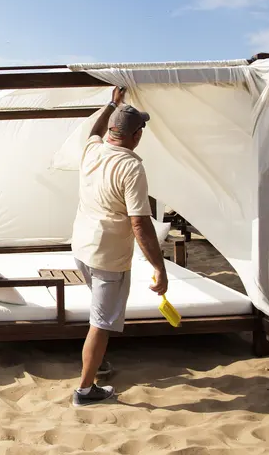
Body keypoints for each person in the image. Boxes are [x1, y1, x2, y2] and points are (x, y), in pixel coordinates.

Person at [70, 87, 168, 407]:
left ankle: (96, 362)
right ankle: (85, 391)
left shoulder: (92, 149)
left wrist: (112, 104)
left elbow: (94, 130)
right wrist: (159, 267)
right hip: (107, 256)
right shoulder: (131, 167)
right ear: (136, 135)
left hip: (82, 247)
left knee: (100, 315)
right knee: (101, 322)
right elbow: (140, 223)